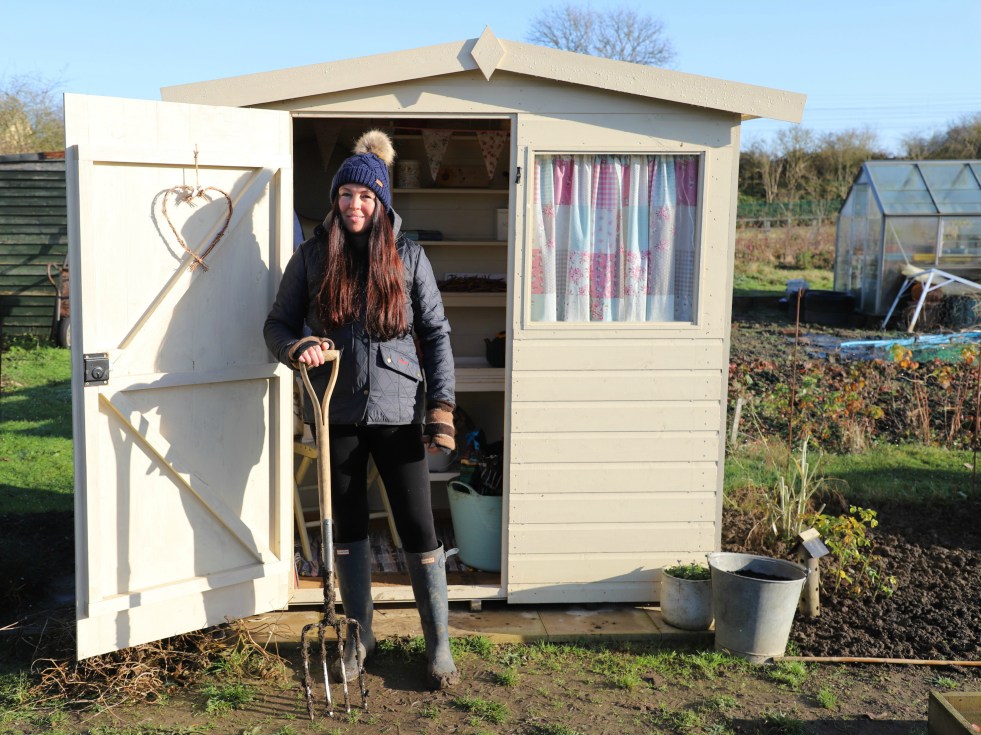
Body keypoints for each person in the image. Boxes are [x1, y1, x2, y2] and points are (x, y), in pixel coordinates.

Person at [264, 130, 459, 690]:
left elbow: (436, 334)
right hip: (336, 408)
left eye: (366, 197)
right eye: (346, 194)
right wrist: (295, 347)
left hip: (398, 410)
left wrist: (441, 405)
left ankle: (439, 644)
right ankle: (360, 637)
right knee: (347, 528)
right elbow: (276, 325)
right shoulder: (311, 258)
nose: (354, 205)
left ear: (382, 202)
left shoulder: (409, 256)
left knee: (420, 529)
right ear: (335, 199)